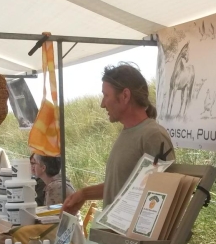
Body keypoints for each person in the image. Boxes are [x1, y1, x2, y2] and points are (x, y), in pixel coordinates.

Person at [62, 63, 174, 214]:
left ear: (125, 96)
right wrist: (84, 194)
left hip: (134, 237)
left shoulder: (152, 135)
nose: (102, 104)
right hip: (113, 236)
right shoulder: (128, 132)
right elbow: (120, 187)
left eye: (106, 95)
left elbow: (166, 193)